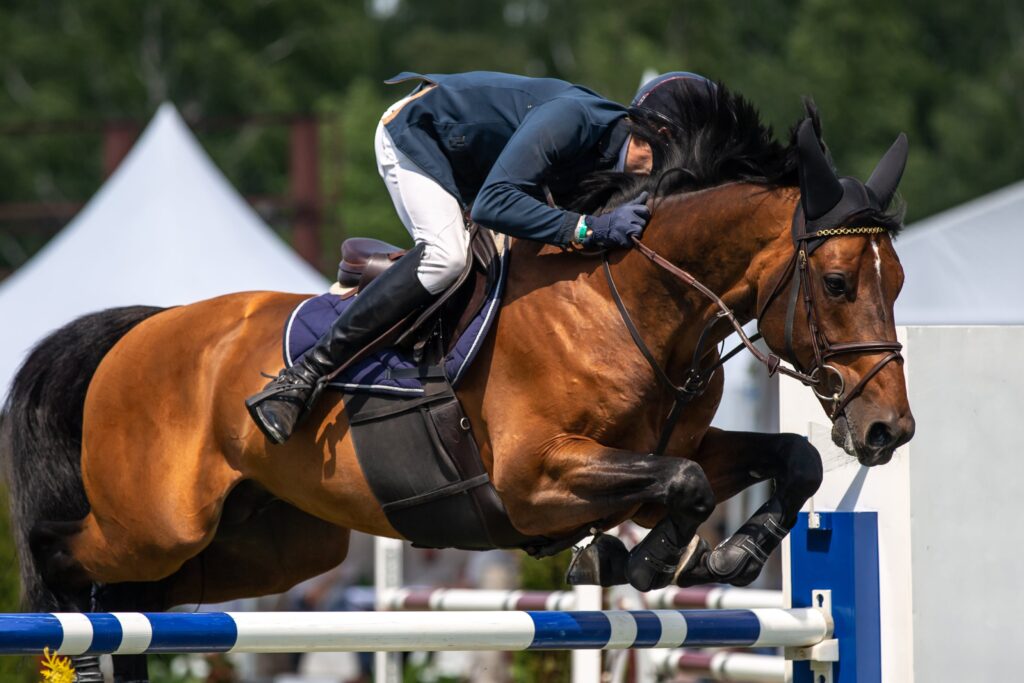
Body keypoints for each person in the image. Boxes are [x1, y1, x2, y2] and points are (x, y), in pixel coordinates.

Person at [246, 70, 711, 444]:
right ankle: (304, 376)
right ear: (661, 135)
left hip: (476, 168)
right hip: (416, 133)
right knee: (447, 257)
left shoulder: (609, 157)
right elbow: (494, 204)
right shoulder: (573, 121)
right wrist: (587, 229)